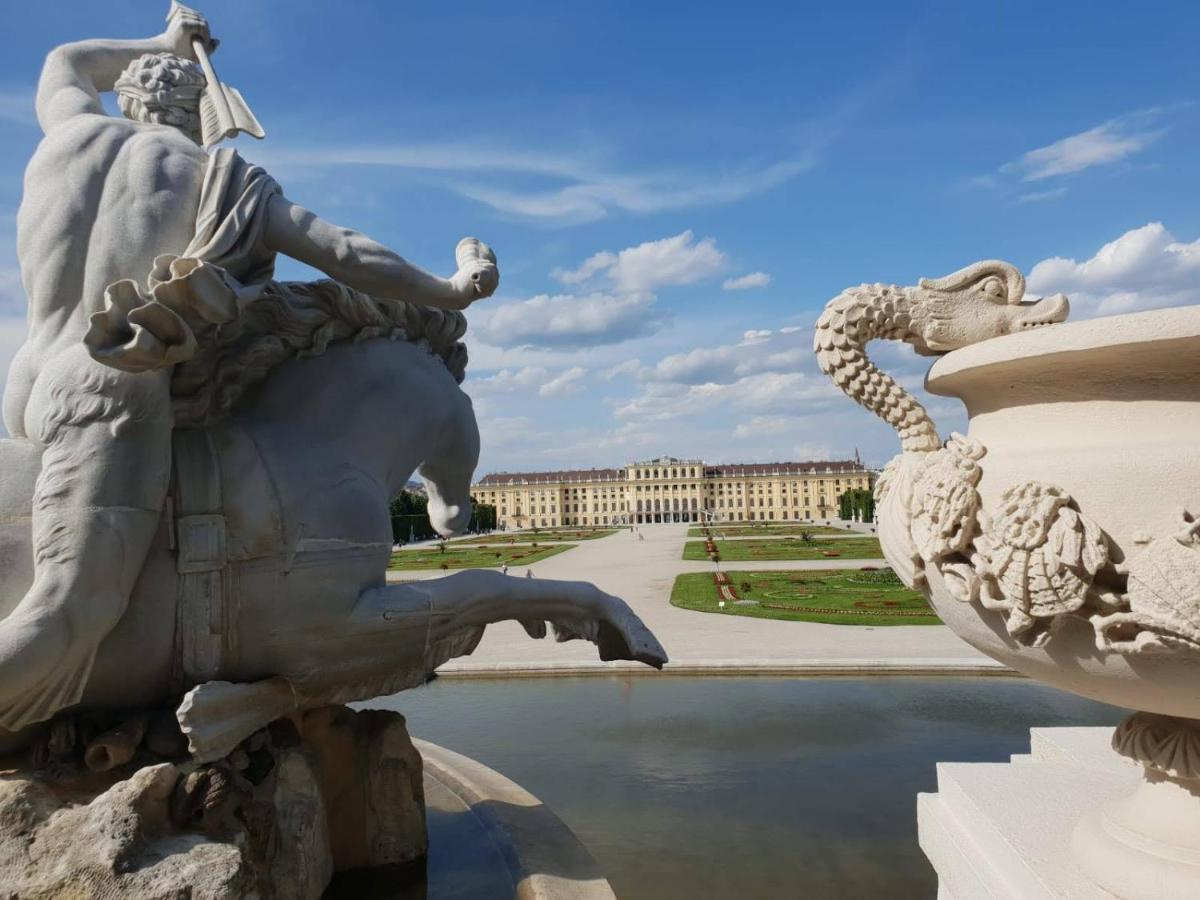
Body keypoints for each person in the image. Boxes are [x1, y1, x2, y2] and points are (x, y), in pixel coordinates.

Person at [0, 6, 498, 730]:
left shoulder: (68, 136)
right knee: (71, 612)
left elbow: (67, 63)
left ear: (129, 96)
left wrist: (161, 41)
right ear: (200, 111)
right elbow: (350, 254)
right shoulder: (216, 176)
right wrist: (450, 290)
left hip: (25, 383)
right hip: (107, 391)